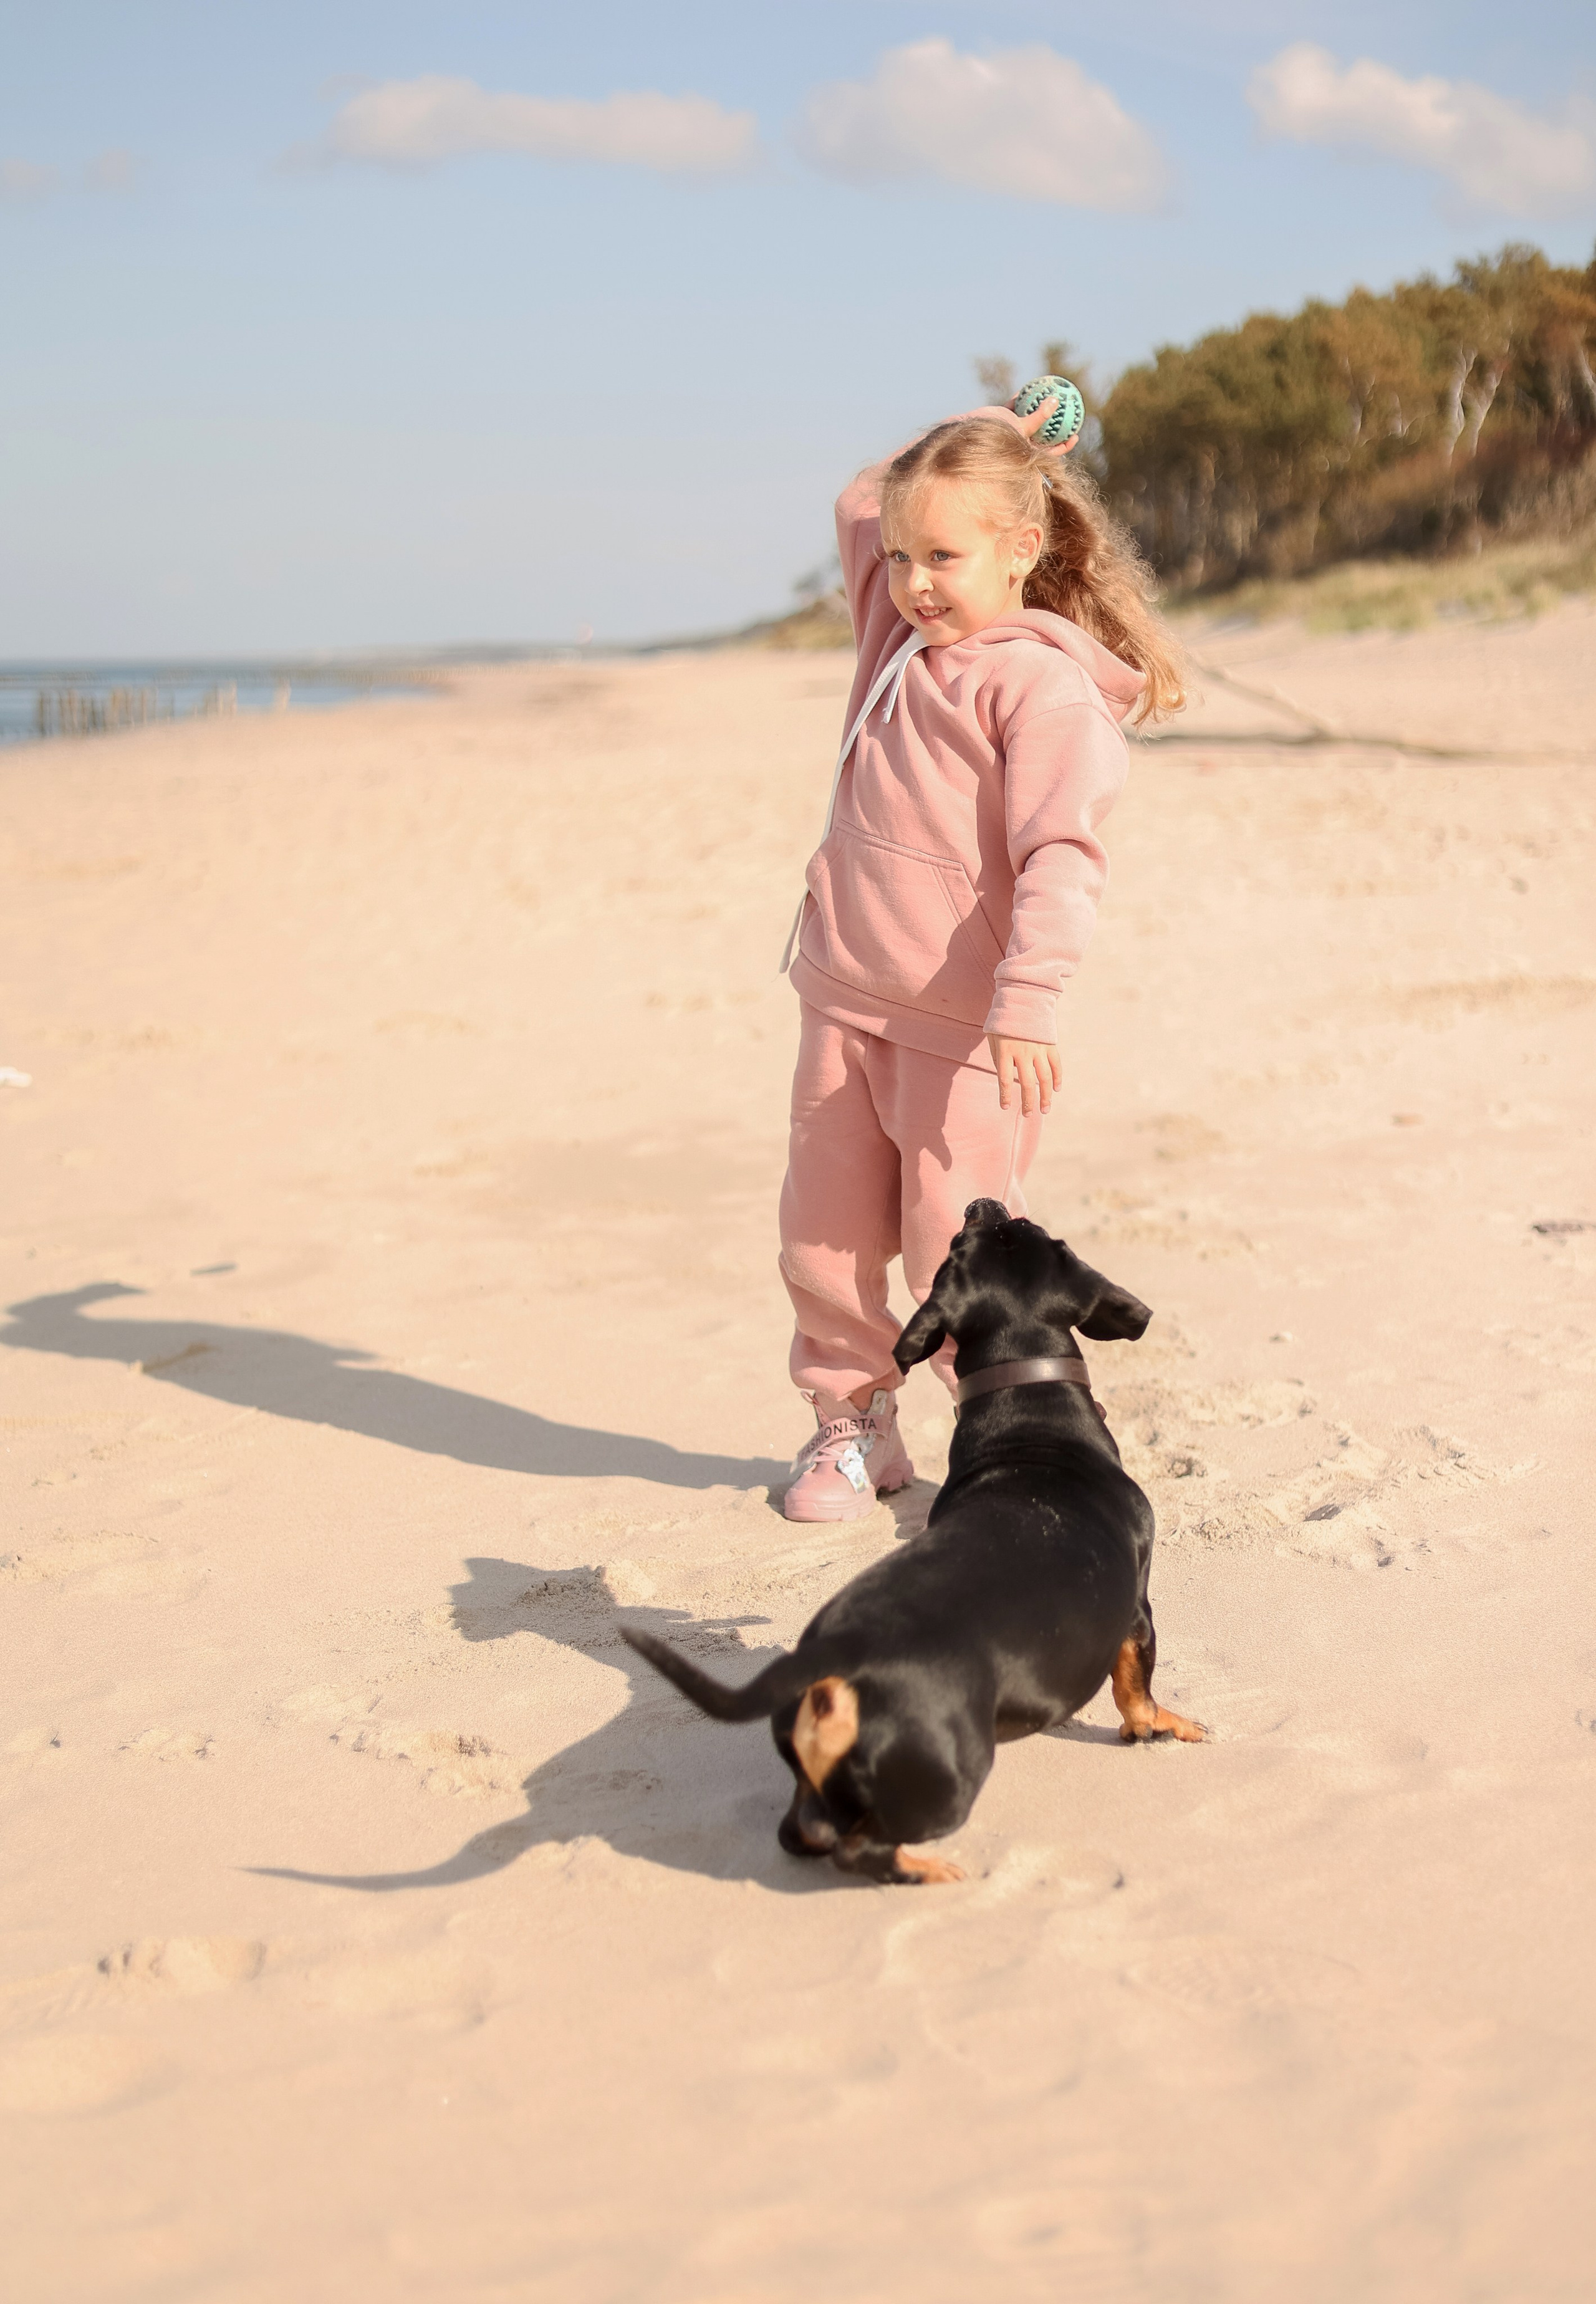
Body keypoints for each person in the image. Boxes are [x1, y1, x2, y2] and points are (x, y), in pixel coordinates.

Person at [777, 393, 1185, 1522]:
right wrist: (1003, 425)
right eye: (903, 556)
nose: (914, 580)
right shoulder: (894, 642)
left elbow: (1063, 854)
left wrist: (1029, 1002)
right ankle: (851, 1430)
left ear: (1023, 548)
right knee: (824, 1236)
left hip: (970, 1037)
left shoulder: (1039, 684)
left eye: (944, 556)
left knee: (952, 1259)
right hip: (843, 1003)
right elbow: (866, 497)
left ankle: (1004, 1441)